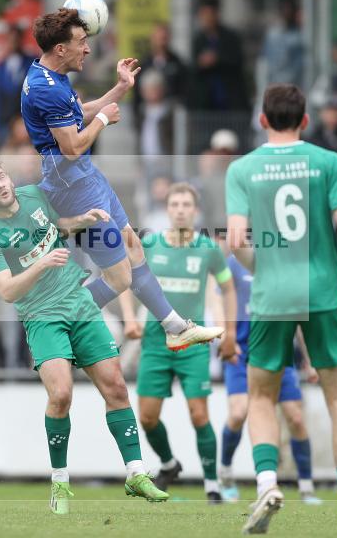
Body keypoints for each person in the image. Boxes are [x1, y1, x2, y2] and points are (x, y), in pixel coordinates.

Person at [225, 84, 337, 535]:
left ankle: (266, 485)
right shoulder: (328, 162)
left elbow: (236, 239)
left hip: (272, 295)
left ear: (262, 120)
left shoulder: (242, 169)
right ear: (306, 121)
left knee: (261, 396)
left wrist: (265, 268)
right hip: (325, 294)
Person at [0, 158, 168, 512]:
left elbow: (57, 225)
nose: (1, 184)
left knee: (117, 387)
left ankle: (137, 473)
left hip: (79, 303)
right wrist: (41, 264)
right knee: (61, 395)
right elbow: (6, 292)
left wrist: (83, 220)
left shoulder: (32, 195)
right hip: (42, 317)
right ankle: (60, 482)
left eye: (2, 177)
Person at [20, 7, 223, 350]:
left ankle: (174, 327)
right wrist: (102, 119)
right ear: (60, 49)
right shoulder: (46, 89)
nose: (87, 49)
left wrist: (120, 89)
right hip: (72, 186)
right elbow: (71, 147)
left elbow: (76, 114)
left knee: (133, 247)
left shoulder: (51, 76)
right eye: (82, 42)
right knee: (119, 277)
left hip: (84, 177)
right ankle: (56, 319)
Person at [118, 183, 237, 503]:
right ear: (167, 209)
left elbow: (227, 289)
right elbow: (124, 279)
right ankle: (169, 465)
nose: (181, 209)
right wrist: (129, 319)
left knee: (199, 415)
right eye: (175, 204)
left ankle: (212, 485)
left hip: (192, 343)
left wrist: (230, 332)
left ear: (195, 211)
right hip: (156, 342)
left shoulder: (208, 249)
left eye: (187, 204)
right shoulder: (151, 244)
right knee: (147, 417)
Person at [217, 246, 322, 506]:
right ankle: (226, 474)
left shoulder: (284, 264)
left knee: (296, 418)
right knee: (238, 413)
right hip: (241, 353)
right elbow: (219, 301)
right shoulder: (233, 263)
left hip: (277, 351)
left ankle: (306, 487)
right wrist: (225, 336)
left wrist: (309, 361)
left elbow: (296, 316)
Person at [190, 0, 249, 113]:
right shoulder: (198, 40)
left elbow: (238, 61)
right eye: (203, 15)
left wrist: (217, 59)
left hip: (230, 100)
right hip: (207, 103)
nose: (206, 18)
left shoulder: (230, 37)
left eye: (209, 14)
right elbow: (193, 68)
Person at [0, 25, 36, 149]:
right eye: (10, 39)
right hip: (5, 122)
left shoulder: (32, 62)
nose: (13, 42)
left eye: (16, 39)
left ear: (21, 40)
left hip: (26, 122)